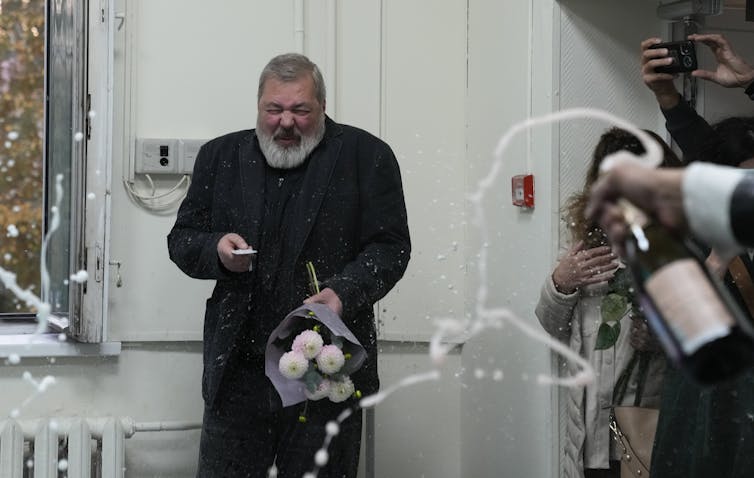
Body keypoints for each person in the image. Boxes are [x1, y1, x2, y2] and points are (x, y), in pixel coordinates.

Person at [167, 53, 411, 478]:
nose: (285, 122)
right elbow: (183, 239)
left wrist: (343, 292)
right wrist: (217, 251)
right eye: (274, 109)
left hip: (325, 371)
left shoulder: (366, 156)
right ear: (259, 106)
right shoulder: (219, 156)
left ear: (322, 107)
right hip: (237, 375)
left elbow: (391, 248)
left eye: (300, 110)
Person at [535, 128, 676, 478]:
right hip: (589, 428)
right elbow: (554, 330)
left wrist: (662, 340)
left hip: (649, 420)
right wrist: (560, 283)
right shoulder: (582, 232)